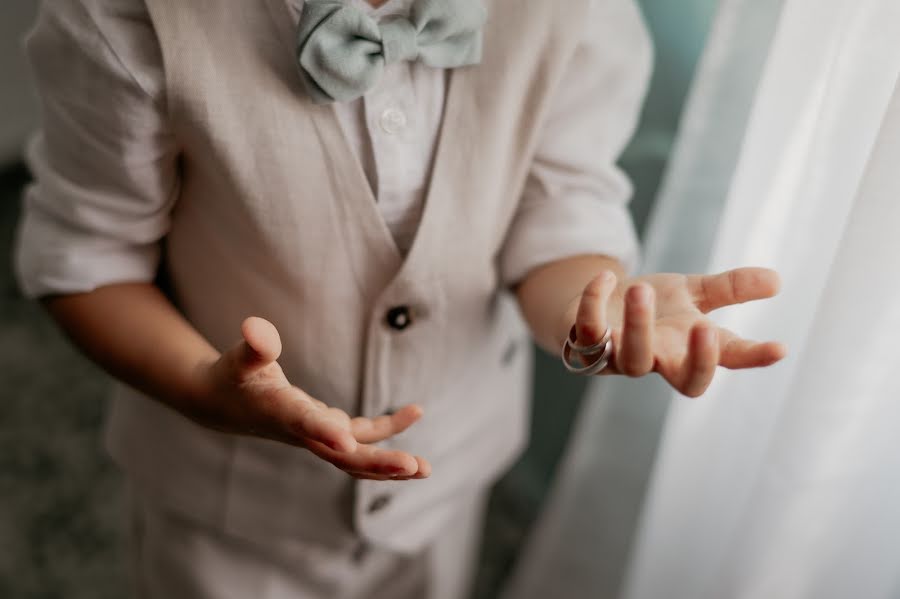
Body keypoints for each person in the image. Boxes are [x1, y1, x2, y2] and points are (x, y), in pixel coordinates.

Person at [14, 0, 787, 597]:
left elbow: (556, 209)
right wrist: (202, 387)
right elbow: (87, 257)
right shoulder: (127, 20)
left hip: (446, 474)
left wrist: (600, 308)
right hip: (231, 505)